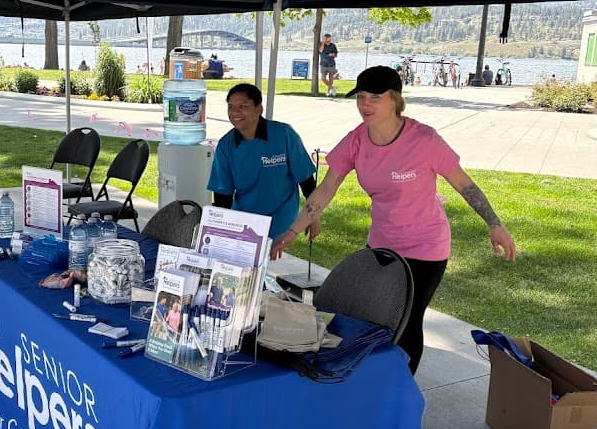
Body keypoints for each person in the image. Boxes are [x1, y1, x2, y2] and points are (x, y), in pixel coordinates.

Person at [271, 66, 516, 375]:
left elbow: (464, 185)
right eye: (360, 97)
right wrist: (294, 230)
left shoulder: (424, 139)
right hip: (382, 244)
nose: (365, 104)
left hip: (426, 247)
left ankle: (402, 387)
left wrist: (494, 224)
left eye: (375, 97)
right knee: (373, 315)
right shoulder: (356, 140)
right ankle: (377, 380)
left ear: (395, 100)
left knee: (407, 321)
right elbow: (328, 187)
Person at [207, 83, 320, 240]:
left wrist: (312, 216)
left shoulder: (284, 134)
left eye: (243, 106)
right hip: (245, 221)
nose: (235, 112)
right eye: (231, 107)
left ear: (259, 109)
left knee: (272, 254)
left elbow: (306, 179)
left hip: (282, 220)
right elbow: (222, 194)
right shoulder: (226, 145)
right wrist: (222, 230)